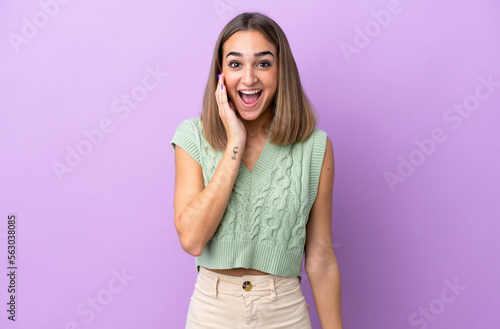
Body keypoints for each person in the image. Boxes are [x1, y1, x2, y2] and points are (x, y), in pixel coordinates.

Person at [171, 12, 343, 329]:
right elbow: (193, 239)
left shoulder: (315, 147)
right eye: (236, 64)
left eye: (263, 63)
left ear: (281, 72)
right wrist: (235, 141)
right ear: (220, 74)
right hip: (212, 313)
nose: (249, 78)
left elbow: (320, 257)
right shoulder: (192, 137)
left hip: (286, 313)